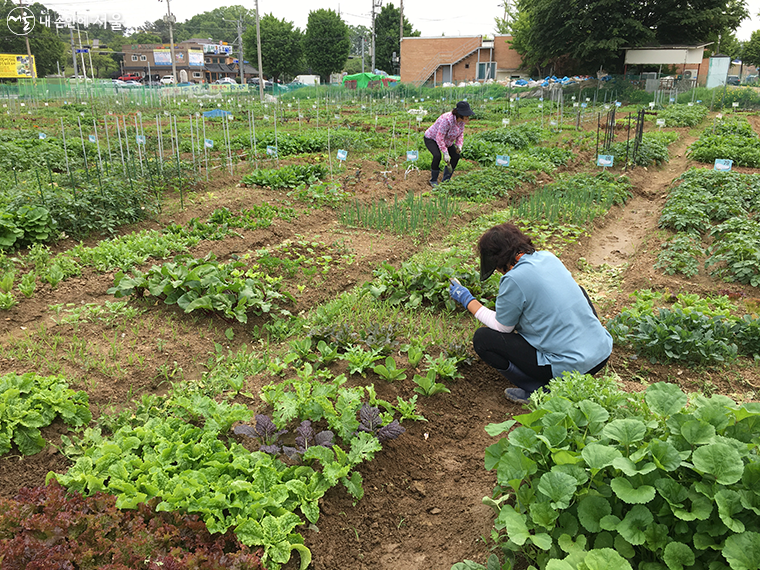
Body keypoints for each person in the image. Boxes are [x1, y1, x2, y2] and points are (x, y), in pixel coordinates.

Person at [448, 223, 612, 404]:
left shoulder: (513, 279)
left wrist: (467, 300)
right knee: (579, 290)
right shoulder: (548, 257)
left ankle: (539, 391)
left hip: (572, 368)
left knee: (483, 339)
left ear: (498, 260)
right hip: (601, 354)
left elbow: (502, 327)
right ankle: (588, 345)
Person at [423, 100, 474, 187]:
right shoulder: (447, 120)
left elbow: (460, 134)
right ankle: (433, 180)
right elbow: (439, 137)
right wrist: (445, 152)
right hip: (432, 138)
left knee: (455, 156)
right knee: (437, 156)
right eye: (466, 115)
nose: (468, 117)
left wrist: (459, 145)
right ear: (460, 114)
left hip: (447, 141)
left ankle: (446, 180)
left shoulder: (461, 122)